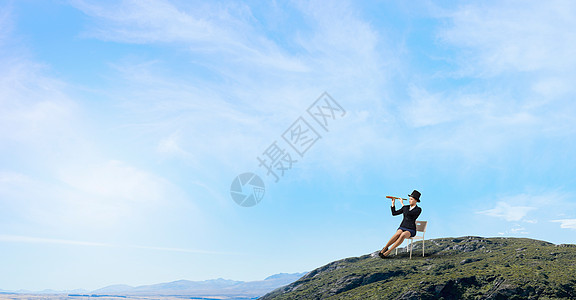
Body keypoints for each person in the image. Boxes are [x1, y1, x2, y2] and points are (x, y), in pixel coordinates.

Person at [379, 190, 422, 258]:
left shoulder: (418, 209)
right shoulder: (406, 207)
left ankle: (389, 251)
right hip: (403, 226)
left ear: (416, 200)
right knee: (398, 233)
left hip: (411, 229)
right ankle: (385, 248)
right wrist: (393, 203)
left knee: (403, 235)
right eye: (409, 199)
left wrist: (402, 204)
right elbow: (394, 213)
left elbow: (409, 214)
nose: (409, 200)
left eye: (411, 199)